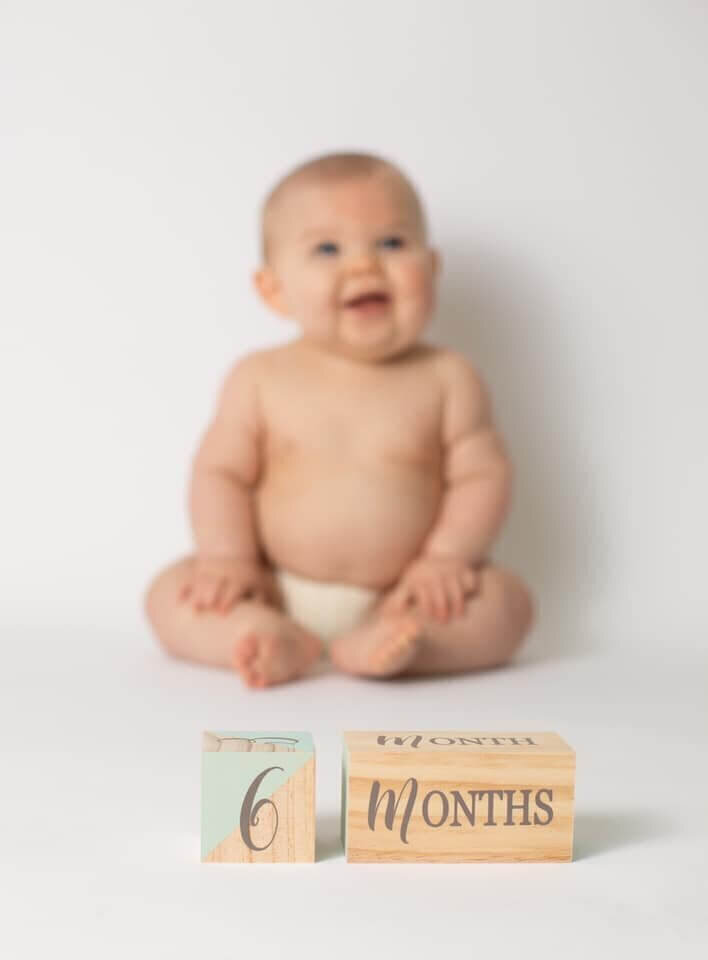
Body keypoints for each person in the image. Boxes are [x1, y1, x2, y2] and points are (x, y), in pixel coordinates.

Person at [144, 151, 534, 688]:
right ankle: (263, 634)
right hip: (275, 586)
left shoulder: (449, 378)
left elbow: (482, 474)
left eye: (392, 243)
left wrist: (446, 560)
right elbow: (220, 474)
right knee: (168, 594)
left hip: (406, 593)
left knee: (508, 606)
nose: (363, 266)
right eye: (327, 248)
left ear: (433, 267)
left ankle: (396, 643)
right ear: (274, 290)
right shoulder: (259, 378)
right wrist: (227, 559)